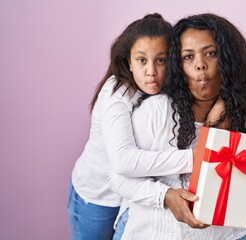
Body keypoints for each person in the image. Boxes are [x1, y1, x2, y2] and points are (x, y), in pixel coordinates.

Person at [108, 13, 246, 240]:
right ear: (178, 65)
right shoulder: (157, 110)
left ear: (228, 59)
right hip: (156, 231)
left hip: (223, 235)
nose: (200, 65)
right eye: (188, 57)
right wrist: (166, 196)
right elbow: (116, 178)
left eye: (210, 54)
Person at [67, 13, 196, 240]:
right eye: (142, 60)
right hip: (99, 198)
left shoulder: (170, 89)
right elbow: (123, 160)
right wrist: (195, 159)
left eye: (161, 60)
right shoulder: (116, 92)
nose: (151, 72)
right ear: (129, 61)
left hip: (135, 197)